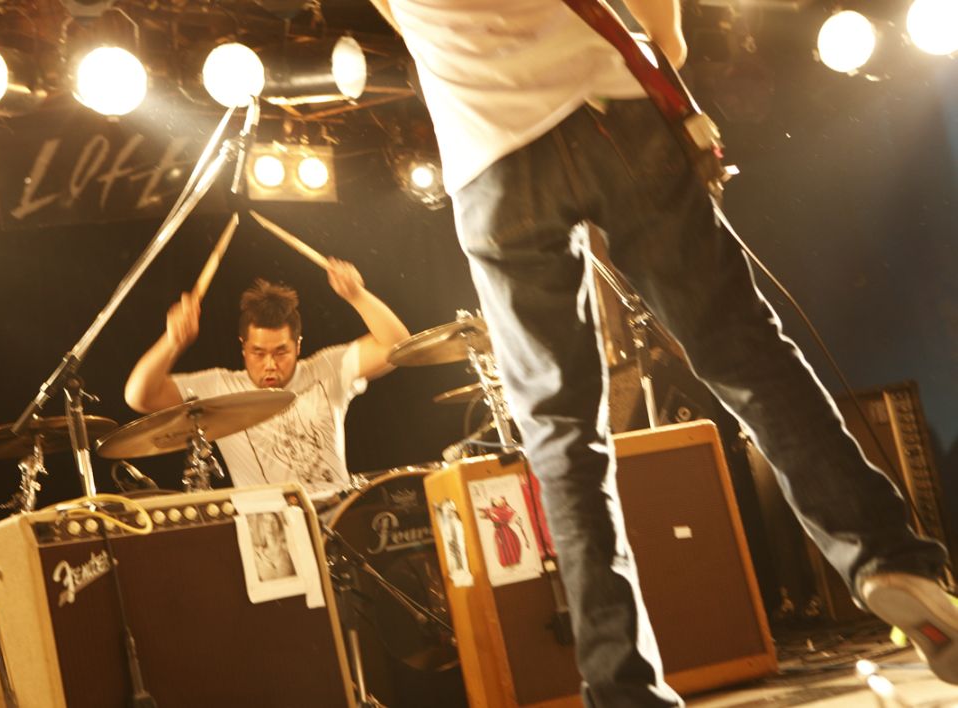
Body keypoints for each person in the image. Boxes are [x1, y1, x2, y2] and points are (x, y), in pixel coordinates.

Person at [367, 0, 958, 704]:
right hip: (607, 110)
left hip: (487, 162)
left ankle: (621, 686)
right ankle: (885, 557)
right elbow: (662, 34)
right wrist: (659, 51)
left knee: (560, 438)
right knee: (745, 355)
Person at [124, 258, 410, 497]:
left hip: (337, 514)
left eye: (281, 352)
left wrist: (357, 295)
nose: (270, 364)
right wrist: (173, 342)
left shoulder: (328, 368)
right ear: (243, 348)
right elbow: (139, 396)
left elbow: (397, 346)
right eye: (258, 353)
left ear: (298, 345)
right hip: (266, 530)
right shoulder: (221, 387)